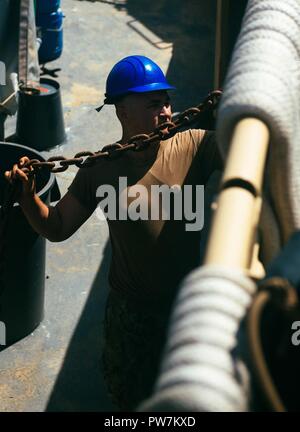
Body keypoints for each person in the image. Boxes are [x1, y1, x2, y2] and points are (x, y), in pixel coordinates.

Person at [5, 55, 223, 411]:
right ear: (122, 111)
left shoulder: (194, 147)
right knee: (130, 402)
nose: (167, 111)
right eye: (154, 104)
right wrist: (28, 197)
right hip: (131, 314)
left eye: (167, 101)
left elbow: (242, 151)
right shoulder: (99, 171)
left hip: (187, 310)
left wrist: (233, 114)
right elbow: (57, 227)